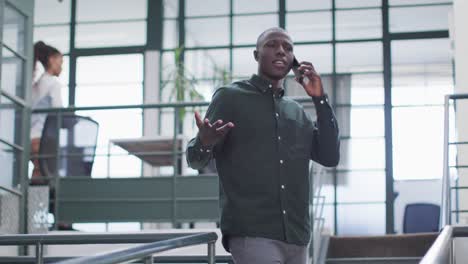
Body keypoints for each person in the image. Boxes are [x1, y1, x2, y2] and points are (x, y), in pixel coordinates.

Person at [186, 27, 340, 264]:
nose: (281, 51)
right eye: (272, 45)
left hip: (297, 236)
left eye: (288, 48)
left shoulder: (297, 112)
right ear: (256, 55)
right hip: (252, 233)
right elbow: (195, 159)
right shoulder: (229, 98)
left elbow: (330, 156)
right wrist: (205, 142)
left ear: (293, 62)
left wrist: (320, 99)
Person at [30, 41, 64, 185]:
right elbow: (59, 110)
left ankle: (30, 203)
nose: (62, 66)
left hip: (30, 137)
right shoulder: (53, 83)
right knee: (43, 176)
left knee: (38, 172)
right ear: (51, 60)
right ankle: (36, 205)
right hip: (43, 138)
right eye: (60, 61)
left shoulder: (36, 84)